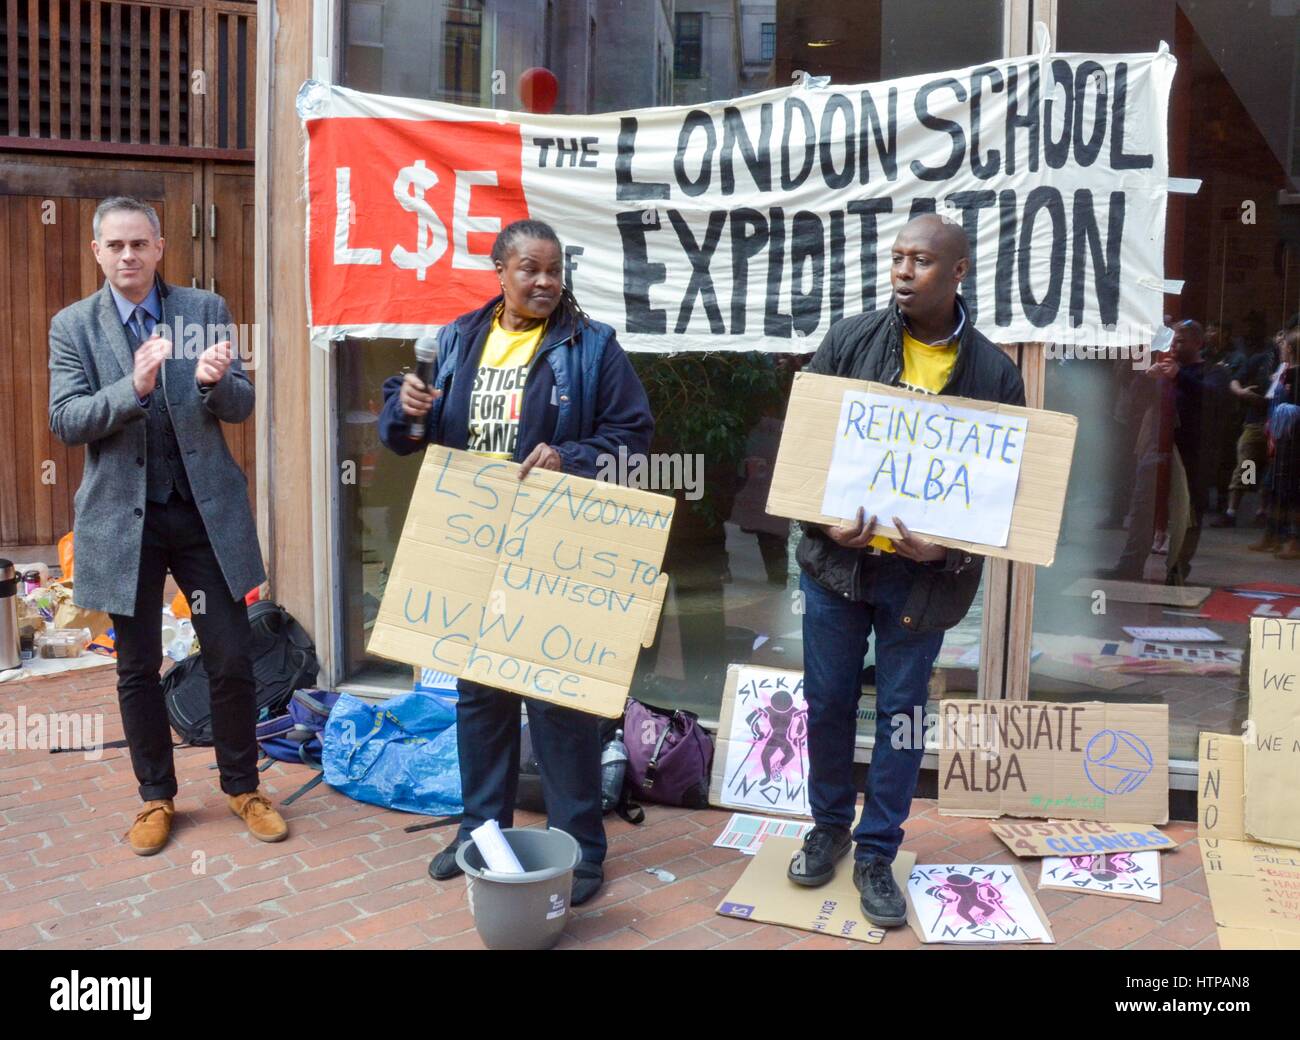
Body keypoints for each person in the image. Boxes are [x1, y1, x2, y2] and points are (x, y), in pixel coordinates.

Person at [377, 218, 653, 907]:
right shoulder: (458, 340)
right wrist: (404, 409)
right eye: (529, 269)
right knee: (480, 695)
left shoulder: (592, 348)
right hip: (472, 539)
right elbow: (406, 440)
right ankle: (480, 834)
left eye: (554, 270)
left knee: (559, 697)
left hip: (552, 543)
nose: (544, 282)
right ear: (498, 271)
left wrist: (569, 458)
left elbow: (633, 437)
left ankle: (580, 847)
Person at [786, 214, 1025, 926]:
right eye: (895, 258)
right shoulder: (849, 340)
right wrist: (819, 520)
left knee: (900, 716)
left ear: (957, 273)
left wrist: (945, 549)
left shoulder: (994, 373)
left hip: (921, 582)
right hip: (837, 566)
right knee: (827, 701)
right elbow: (802, 448)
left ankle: (875, 852)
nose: (901, 271)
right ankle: (829, 825)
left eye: (919, 260)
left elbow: (1004, 496)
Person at [47, 196, 282, 855]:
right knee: (136, 666)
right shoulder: (73, 327)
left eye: (139, 244)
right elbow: (65, 420)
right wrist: (134, 387)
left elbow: (240, 401)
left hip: (203, 511)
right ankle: (156, 797)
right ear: (98, 252)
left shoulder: (201, 311)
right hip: (126, 523)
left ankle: (243, 786)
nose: (128, 256)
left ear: (159, 248)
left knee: (232, 655)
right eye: (115, 246)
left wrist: (214, 383)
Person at [1212, 327, 1279, 526]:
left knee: (1272, 470)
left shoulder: (1291, 364)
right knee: (1248, 464)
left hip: (1279, 424)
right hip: (1256, 421)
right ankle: (1233, 511)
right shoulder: (1262, 359)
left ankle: (1262, 510)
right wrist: (1241, 393)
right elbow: (1235, 380)